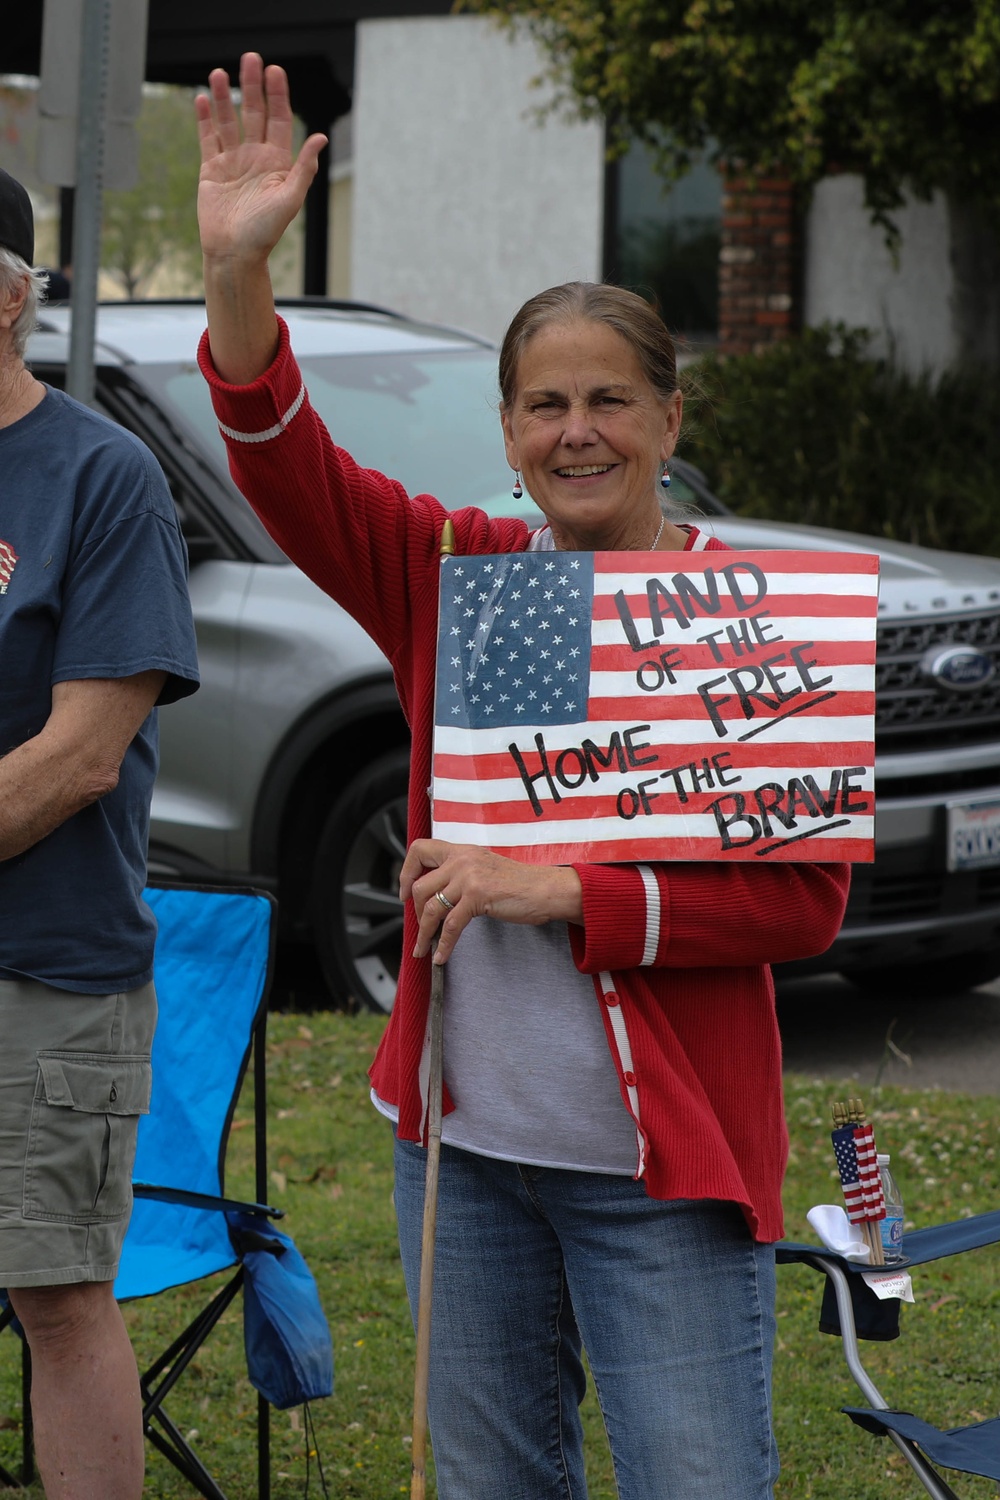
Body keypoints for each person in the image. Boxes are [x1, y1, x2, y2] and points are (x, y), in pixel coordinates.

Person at [195, 56, 850, 1500]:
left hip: (662, 1171)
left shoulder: (753, 622)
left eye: (612, 400)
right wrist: (240, 274)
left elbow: (803, 908)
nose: (577, 431)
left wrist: (562, 890)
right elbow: (286, 465)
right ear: (505, 432)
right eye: (544, 403)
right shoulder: (461, 583)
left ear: (673, 422)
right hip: (463, 1157)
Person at [0, 167, 200, 1500]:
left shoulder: (99, 477)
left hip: (47, 968)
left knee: (57, 1297)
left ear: (14, 297)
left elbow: (82, 759)